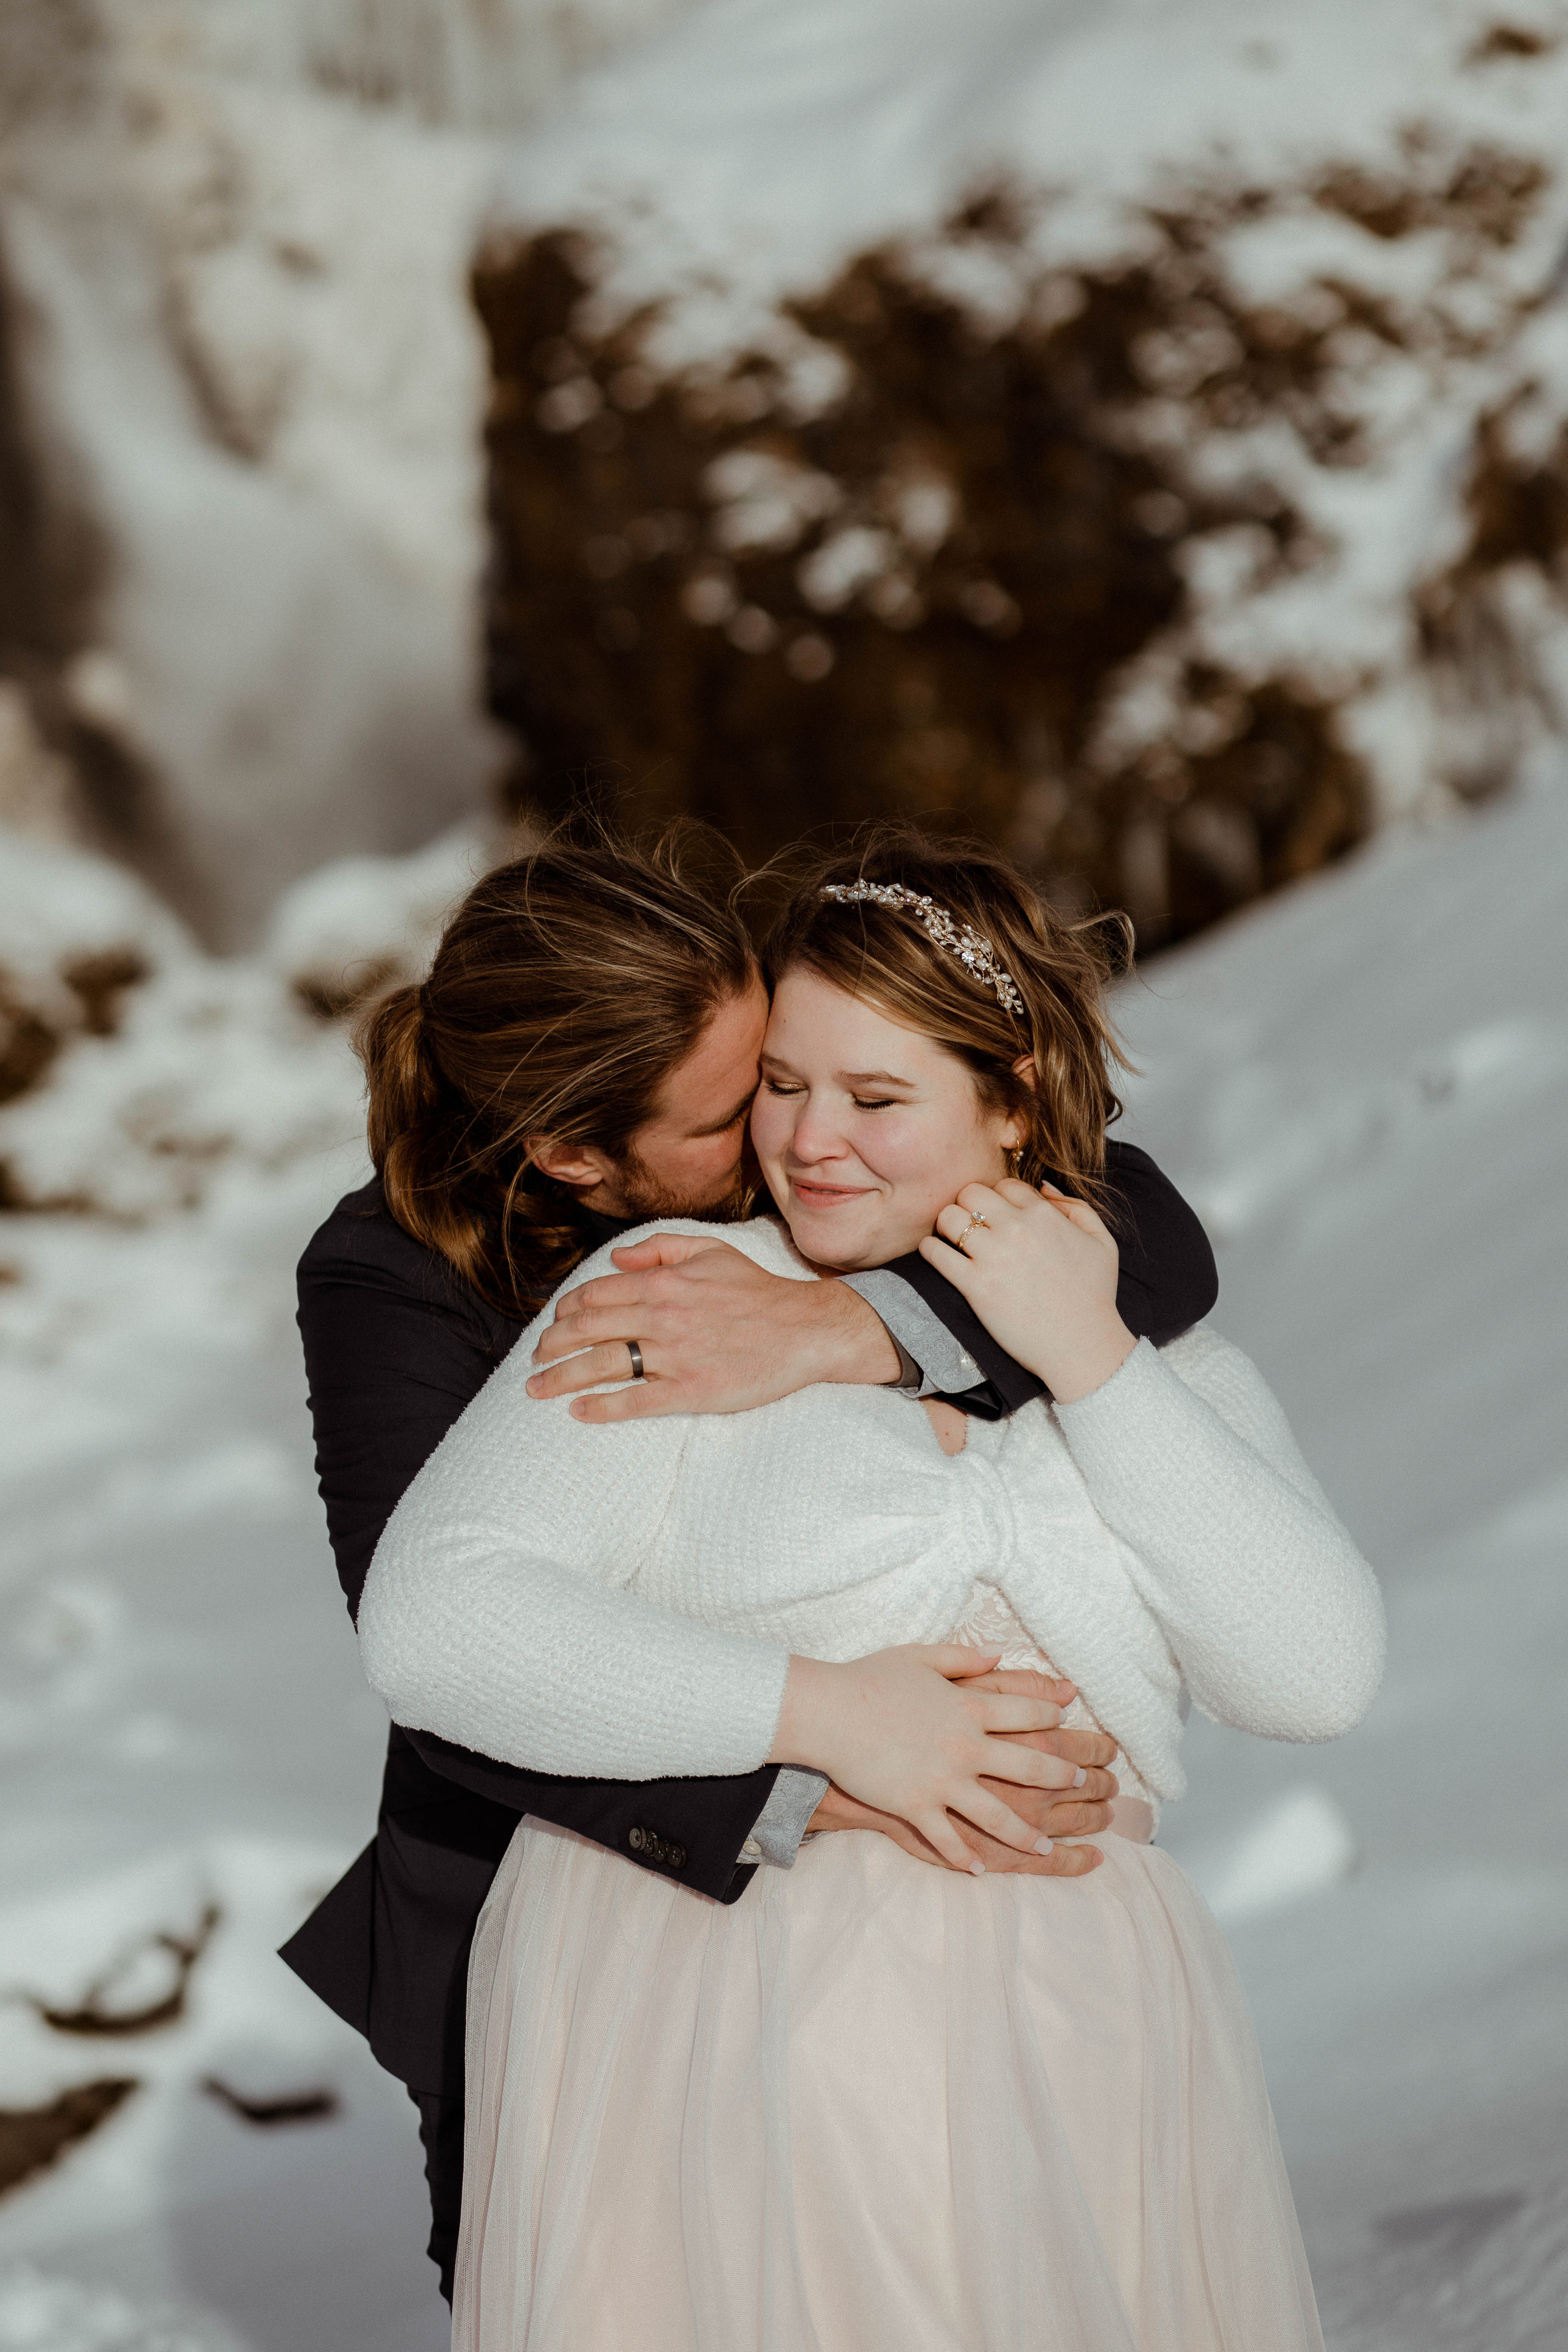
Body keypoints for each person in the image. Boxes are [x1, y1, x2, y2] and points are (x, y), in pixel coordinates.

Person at [359, 834, 1385, 2350]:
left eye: (876, 1096)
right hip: (729, 2030)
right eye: (781, 1083)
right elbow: (436, 1619)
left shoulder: (1151, 1355)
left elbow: (1314, 1677)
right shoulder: (670, 1298)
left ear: (1013, 1099)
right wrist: (826, 1720)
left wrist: (1089, 1361)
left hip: (1080, 2043)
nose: (806, 1141)